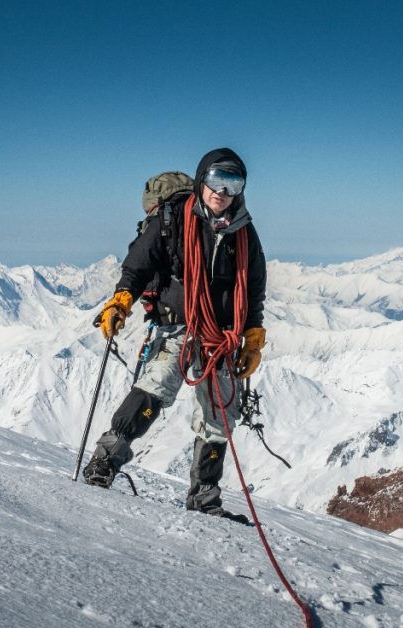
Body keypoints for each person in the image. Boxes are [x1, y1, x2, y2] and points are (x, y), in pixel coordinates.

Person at [82, 148, 267, 524]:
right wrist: (121, 300)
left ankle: (204, 497)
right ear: (202, 180)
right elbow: (138, 265)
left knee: (219, 416)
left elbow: (254, 288)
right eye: (216, 180)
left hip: (222, 336)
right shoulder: (172, 220)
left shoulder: (244, 232)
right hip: (179, 325)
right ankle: (106, 459)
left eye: (233, 183)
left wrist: (253, 334)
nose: (223, 191)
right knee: (157, 386)